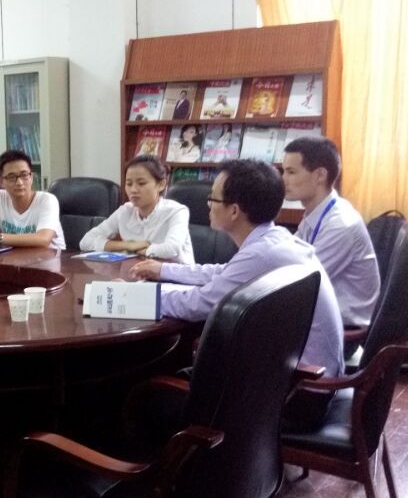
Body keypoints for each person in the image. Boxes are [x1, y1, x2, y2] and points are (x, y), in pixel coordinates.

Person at [130, 159, 343, 430]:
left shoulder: (261, 254)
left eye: (212, 198)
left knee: (146, 396)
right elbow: (223, 273)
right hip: (301, 379)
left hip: (297, 393)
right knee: (181, 369)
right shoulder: (273, 240)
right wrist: (164, 270)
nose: (207, 204)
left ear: (234, 210)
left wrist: (131, 297)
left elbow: (199, 304)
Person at [282, 137, 379, 351]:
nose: (283, 179)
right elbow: (288, 258)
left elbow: (300, 283)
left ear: (319, 175)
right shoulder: (317, 213)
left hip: (342, 334)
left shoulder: (340, 224)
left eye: (291, 172)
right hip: (319, 318)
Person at [79, 155, 194, 264]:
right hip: (137, 273)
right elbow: (86, 241)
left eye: (141, 183)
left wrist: (143, 250)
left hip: (175, 275)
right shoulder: (125, 211)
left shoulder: (176, 211)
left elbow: (171, 249)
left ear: (161, 184)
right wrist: (128, 245)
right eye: (129, 184)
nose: (133, 190)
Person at [0, 150, 66, 250]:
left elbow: (43, 239)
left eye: (24, 175)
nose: (19, 182)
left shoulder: (47, 200)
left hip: (51, 259)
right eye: (12, 177)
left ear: (31, 177)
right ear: (1, 182)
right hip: (14, 258)